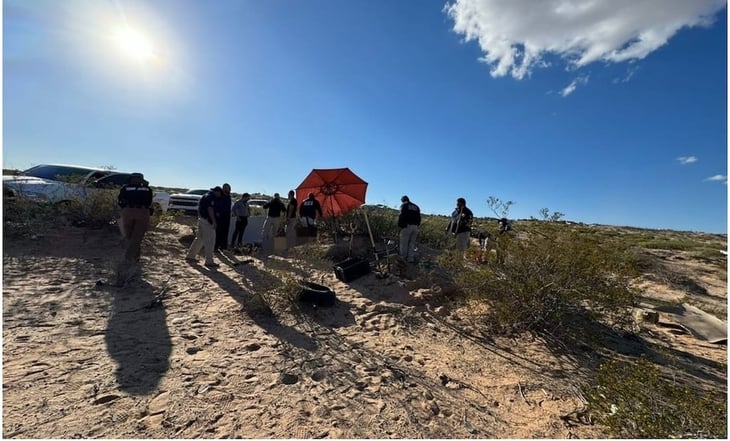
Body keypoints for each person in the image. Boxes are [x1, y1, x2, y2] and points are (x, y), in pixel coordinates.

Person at [117, 172, 153, 262]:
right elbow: (149, 201)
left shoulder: (125, 188)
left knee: (129, 236)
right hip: (143, 212)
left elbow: (120, 201)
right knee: (137, 237)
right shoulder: (147, 189)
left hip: (128, 211)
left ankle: (130, 258)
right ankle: (132, 258)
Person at [186, 186, 223, 268]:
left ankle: (190, 256)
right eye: (220, 193)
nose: (220, 196)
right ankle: (209, 261)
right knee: (210, 241)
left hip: (201, 219)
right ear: (217, 191)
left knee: (199, 239)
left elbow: (199, 208)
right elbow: (210, 209)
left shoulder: (205, 195)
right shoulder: (211, 198)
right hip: (207, 222)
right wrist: (213, 221)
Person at [397, 195, 421, 263]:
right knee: (412, 243)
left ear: (403, 201)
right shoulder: (416, 207)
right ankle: (410, 258)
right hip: (415, 227)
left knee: (404, 243)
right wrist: (417, 225)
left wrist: (400, 226)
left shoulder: (404, 206)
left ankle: (403, 258)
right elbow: (419, 218)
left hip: (407, 226)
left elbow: (401, 216)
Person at [215, 183, 232, 251]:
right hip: (220, 216)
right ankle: (216, 247)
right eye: (226, 188)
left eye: (228, 188)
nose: (227, 189)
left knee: (225, 232)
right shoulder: (220, 196)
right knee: (218, 232)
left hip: (227, 216)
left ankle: (223, 247)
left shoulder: (228, 196)